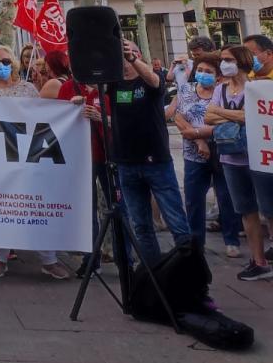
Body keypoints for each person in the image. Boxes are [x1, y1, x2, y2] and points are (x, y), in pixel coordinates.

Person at [0, 45, 71, 279]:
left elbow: (42, 117)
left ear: (14, 64)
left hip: (28, 156)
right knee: (4, 208)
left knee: (34, 205)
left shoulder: (28, 89)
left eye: (6, 61)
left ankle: (49, 260)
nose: (2, 66)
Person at [106, 38, 191, 266]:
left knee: (177, 223)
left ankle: (192, 275)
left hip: (156, 163)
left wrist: (131, 58)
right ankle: (153, 275)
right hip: (126, 164)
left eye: (131, 53)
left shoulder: (153, 79)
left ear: (139, 55)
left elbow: (154, 82)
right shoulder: (113, 83)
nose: (126, 58)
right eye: (122, 54)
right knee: (141, 226)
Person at [206, 44, 273, 281]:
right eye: (222, 59)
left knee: (269, 209)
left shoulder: (258, 89)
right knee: (246, 211)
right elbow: (208, 116)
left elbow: (250, 115)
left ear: (241, 61)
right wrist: (236, 114)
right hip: (230, 157)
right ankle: (258, 261)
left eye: (228, 59)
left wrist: (221, 111)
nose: (224, 63)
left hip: (258, 158)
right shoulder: (221, 89)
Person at [172, 53, 242, 258]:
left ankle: (231, 239)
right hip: (194, 154)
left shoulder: (224, 93)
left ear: (218, 77)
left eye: (208, 72)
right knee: (193, 199)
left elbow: (227, 122)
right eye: (200, 70)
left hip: (222, 150)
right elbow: (179, 117)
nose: (203, 75)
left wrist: (198, 132)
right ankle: (196, 242)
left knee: (225, 197)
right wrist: (198, 140)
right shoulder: (186, 90)